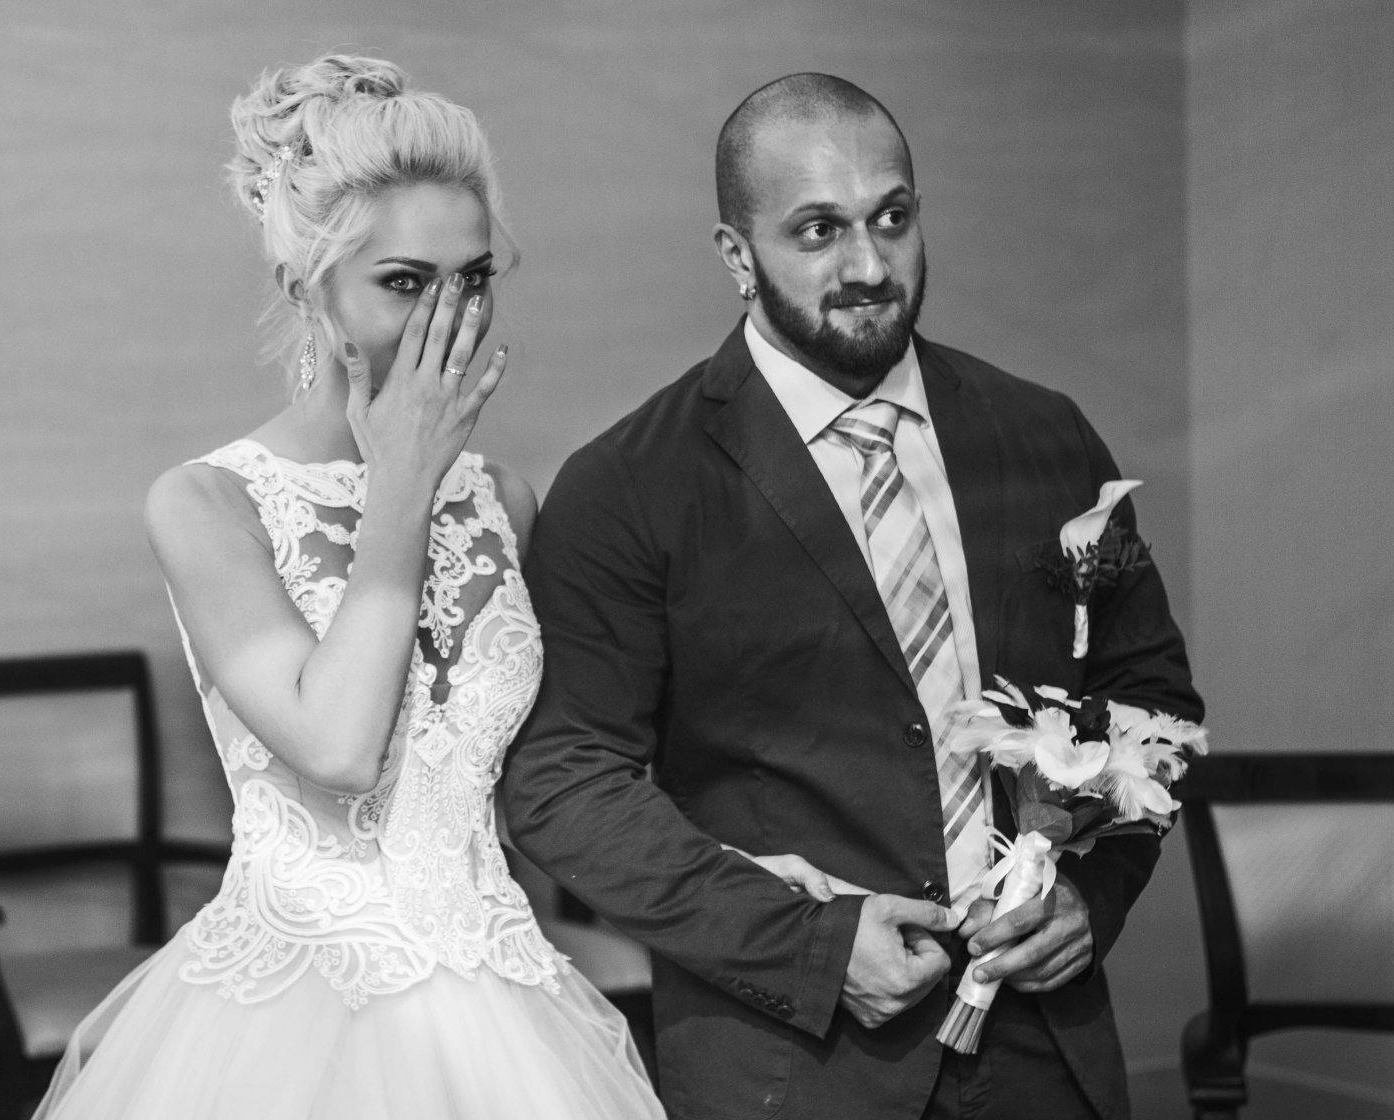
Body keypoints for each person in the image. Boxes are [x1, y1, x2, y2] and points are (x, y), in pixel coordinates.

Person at [502, 73, 1202, 1120]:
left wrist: (1091, 900)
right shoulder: (630, 485)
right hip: (792, 1067)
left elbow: (1152, 697)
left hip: (1047, 1056)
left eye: (893, 218)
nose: (869, 266)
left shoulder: (1048, 436)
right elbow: (563, 783)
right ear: (737, 255)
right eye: (819, 230)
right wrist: (809, 948)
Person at [32, 54, 664, 1120]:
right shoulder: (208, 504)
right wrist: (402, 486)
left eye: (473, 279)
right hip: (287, 1021)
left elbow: (540, 782)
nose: (448, 317)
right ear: (306, 289)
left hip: (508, 1005)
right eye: (405, 282)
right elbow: (337, 747)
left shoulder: (504, 500)